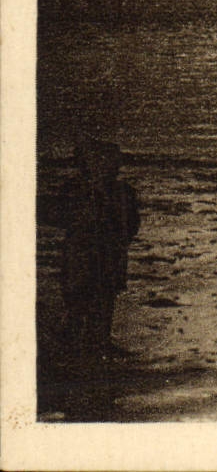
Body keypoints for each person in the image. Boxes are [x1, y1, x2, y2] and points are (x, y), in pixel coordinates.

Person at [61, 140, 141, 356]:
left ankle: (97, 342)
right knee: (82, 298)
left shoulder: (121, 192)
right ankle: (79, 342)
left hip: (105, 252)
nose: (115, 167)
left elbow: (132, 222)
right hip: (87, 253)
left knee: (103, 297)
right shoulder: (79, 191)